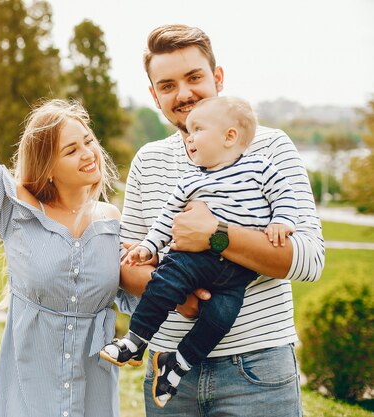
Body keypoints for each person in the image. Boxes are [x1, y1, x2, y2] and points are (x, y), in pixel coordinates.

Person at [0, 14, 130, 417]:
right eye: (72, 150)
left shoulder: (113, 222)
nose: (89, 153)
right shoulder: (15, 212)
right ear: (47, 167)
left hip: (93, 405)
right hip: (22, 405)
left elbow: (139, 298)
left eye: (89, 141)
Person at [119, 24, 325, 417]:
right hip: (166, 377)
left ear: (218, 78)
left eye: (194, 77)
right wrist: (184, 299)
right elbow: (127, 267)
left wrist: (216, 236)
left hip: (256, 371)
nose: (183, 94)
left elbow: (309, 260)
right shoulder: (148, 161)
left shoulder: (271, 147)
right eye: (167, 85)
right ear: (154, 95)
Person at [101, 96, 298, 407]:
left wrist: (282, 221)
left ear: (229, 137)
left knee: (221, 318)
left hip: (237, 271)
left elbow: (286, 197)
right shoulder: (191, 179)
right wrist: (149, 246)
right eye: (188, 132)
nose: (189, 138)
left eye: (197, 130)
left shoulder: (262, 168)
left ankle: (177, 363)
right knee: (163, 284)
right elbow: (167, 218)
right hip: (193, 259)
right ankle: (135, 341)